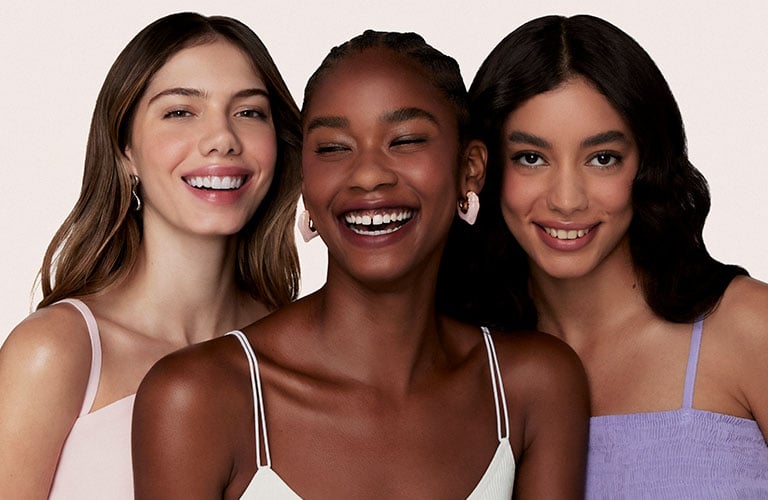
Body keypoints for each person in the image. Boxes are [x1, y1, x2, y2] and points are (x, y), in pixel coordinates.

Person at [132, 30, 589, 499]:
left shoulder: (534, 386)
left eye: (406, 140)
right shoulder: (198, 397)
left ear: (469, 168)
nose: (369, 174)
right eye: (333, 148)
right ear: (306, 179)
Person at [439, 14, 768, 498]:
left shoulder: (748, 329)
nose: (567, 199)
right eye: (531, 157)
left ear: (647, 163)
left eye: (602, 158)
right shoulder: (459, 359)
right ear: (480, 168)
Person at [0, 12, 301, 498]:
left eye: (249, 112)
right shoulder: (56, 353)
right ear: (125, 151)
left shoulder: (293, 353)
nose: (222, 138)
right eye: (180, 111)